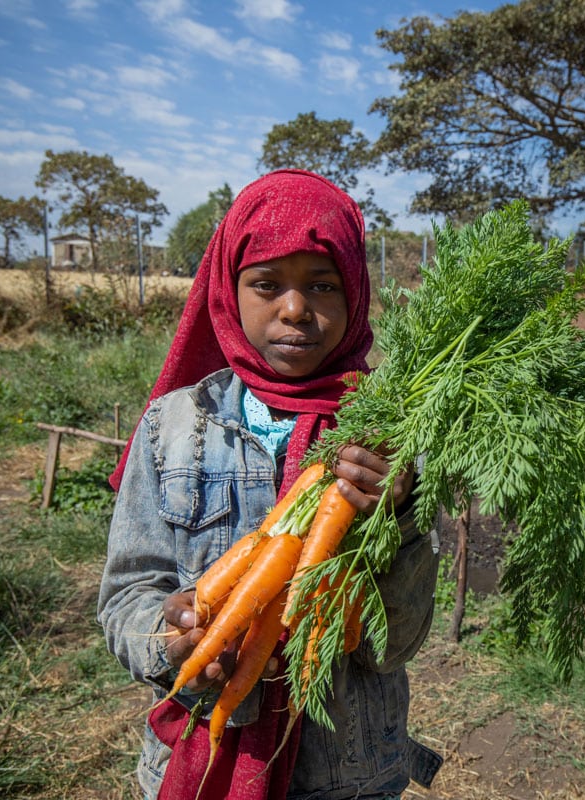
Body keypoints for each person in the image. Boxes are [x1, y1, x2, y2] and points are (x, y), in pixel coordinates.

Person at [98, 169, 442, 800]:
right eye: (266, 284)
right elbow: (126, 593)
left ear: (356, 294)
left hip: (350, 778)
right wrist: (171, 640)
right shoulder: (171, 426)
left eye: (322, 285)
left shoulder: (390, 440)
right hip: (196, 761)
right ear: (228, 294)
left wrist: (393, 519)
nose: (295, 309)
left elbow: (399, 643)